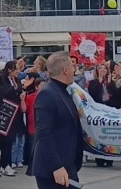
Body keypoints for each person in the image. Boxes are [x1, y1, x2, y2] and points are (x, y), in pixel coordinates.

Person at [31, 52, 85, 189]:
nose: (75, 70)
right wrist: (56, 166)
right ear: (65, 70)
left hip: (68, 166)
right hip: (54, 170)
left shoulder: (63, 91)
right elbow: (44, 134)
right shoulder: (47, 94)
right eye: (73, 66)